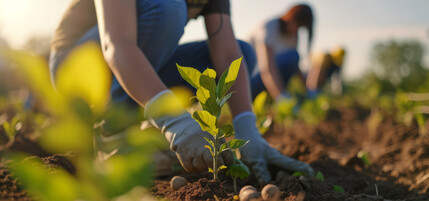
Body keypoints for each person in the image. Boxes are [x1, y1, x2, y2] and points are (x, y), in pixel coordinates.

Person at [49, 0, 314, 185]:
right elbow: (117, 43)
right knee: (169, 7)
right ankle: (114, 133)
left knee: (241, 52)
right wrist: (175, 120)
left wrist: (247, 128)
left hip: (135, 61)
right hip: (79, 66)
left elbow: (227, 53)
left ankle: (143, 133)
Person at [248, 4, 345, 100]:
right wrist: (281, 98)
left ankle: (273, 98)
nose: (296, 30)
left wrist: (308, 90)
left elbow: (294, 67)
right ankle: (277, 96)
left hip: (270, 82)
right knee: (293, 56)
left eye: (300, 28)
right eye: (297, 25)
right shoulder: (270, 27)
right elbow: (267, 68)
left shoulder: (293, 36)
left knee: (293, 58)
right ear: (290, 18)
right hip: (249, 84)